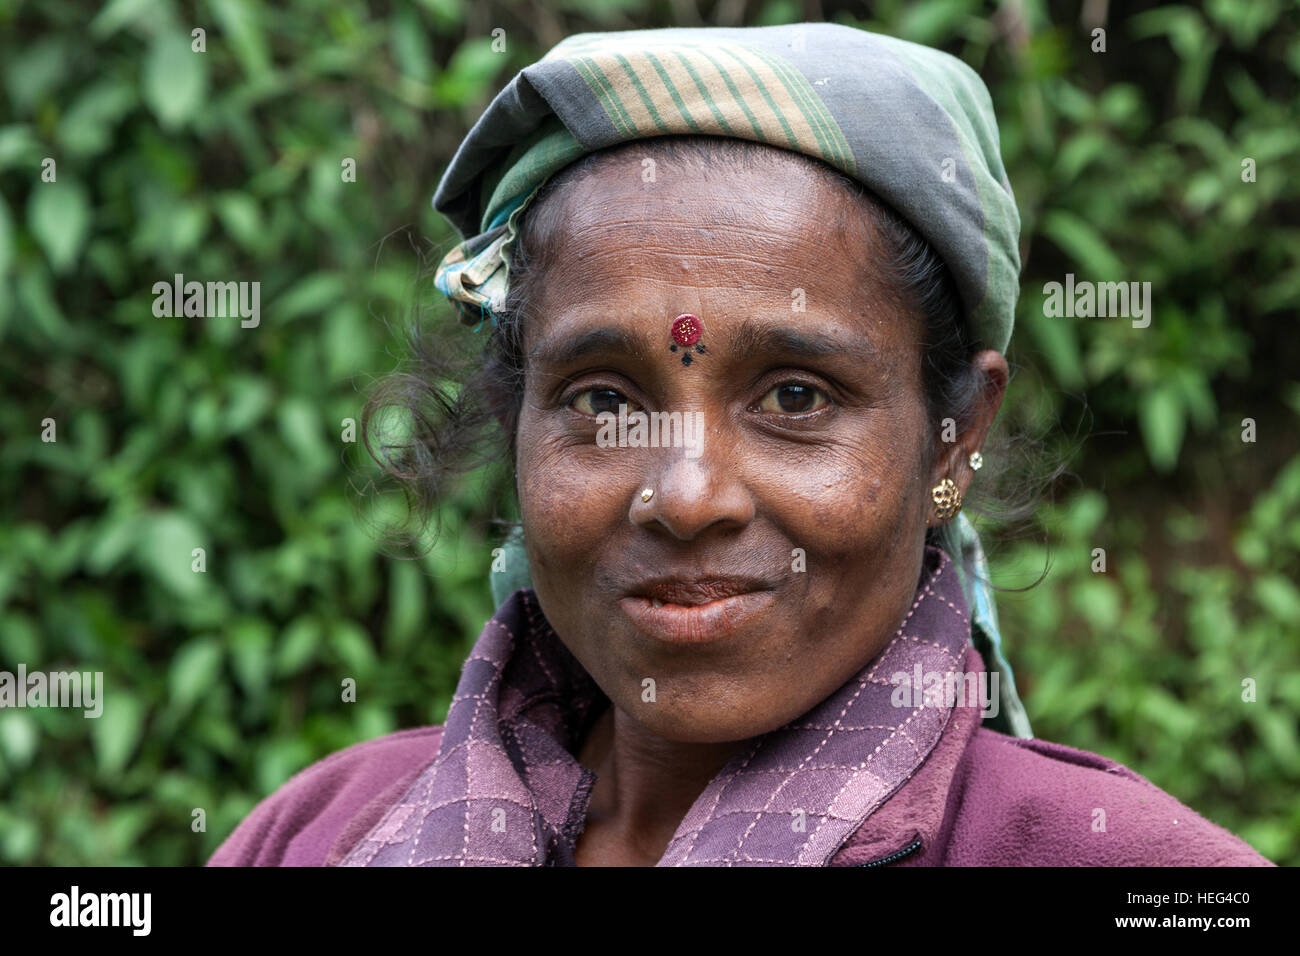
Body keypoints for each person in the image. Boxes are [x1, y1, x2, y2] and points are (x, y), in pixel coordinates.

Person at [208, 22, 1271, 866]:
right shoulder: (316, 832)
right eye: (603, 398)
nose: (686, 494)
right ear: (515, 416)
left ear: (953, 439)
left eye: (796, 394)